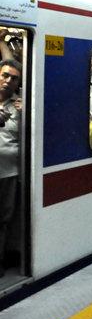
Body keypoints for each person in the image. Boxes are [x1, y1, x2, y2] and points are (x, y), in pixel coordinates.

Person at [0, 59, 22, 278]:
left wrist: (26, 115)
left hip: (7, 172)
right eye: (5, 75)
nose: (8, 81)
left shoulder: (20, 106)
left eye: (14, 78)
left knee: (2, 220)